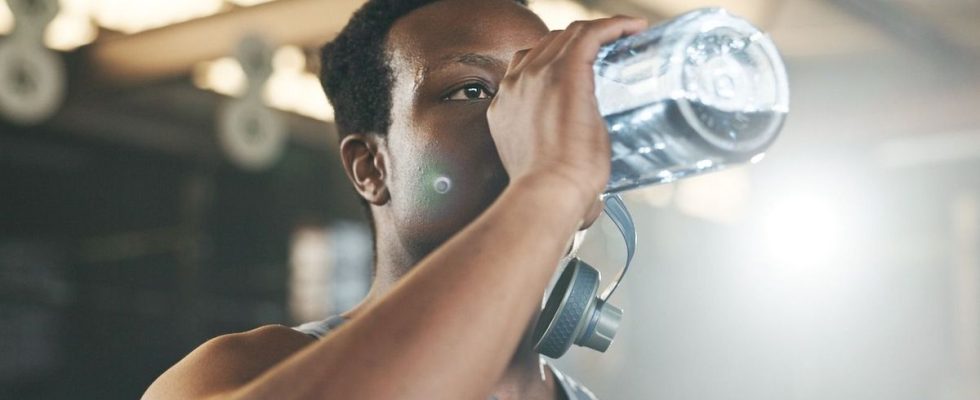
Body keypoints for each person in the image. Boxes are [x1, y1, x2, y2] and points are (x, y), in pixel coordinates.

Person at [143, 0, 645, 398]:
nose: (526, 118)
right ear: (371, 167)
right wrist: (550, 182)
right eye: (471, 90)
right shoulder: (236, 373)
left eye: (542, 89)